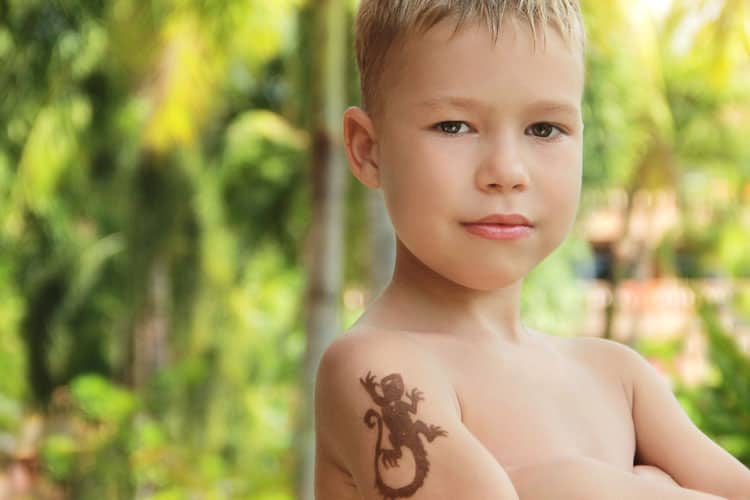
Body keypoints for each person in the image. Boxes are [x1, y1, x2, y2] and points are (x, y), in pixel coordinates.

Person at [313, 1, 750, 499]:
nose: (506, 170)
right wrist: (600, 483)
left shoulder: (617, 378)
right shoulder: (374, 368)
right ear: (368, 149)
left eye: (544, 129)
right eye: (454, 126)